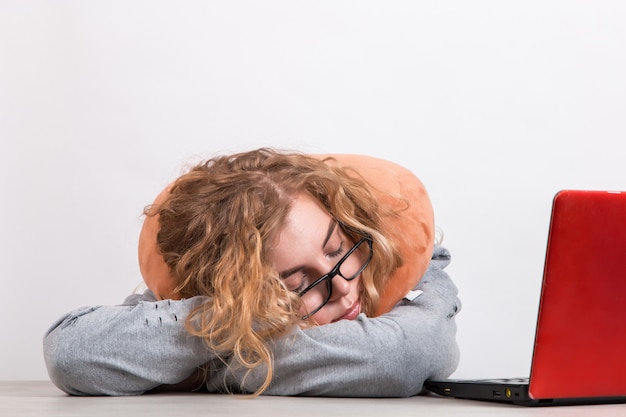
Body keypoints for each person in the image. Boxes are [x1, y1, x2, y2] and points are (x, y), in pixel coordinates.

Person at [43, 148, 461, 397]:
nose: (343, 289)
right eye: (299, 285)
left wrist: (217, 370)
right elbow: (71, 354)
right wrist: (236, 319)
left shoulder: (400, 258)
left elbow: (403, 355)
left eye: (338, 248)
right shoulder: (204, 305)